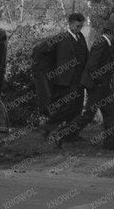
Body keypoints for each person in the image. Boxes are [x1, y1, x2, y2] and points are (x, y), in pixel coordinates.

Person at [35, 12, 89, 147]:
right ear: (70, 24)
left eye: (81, 26)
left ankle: (71, 135)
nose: (79, 29)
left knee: (77, 108)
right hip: (65, 80)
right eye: (77, 26)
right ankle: (48, 126)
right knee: (67, 107)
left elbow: (85, 55)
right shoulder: (60, 38)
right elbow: (39, 50)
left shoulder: (80, 37)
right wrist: (47, 69)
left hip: (79, 80)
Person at [78, 23, 114, 148]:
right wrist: (102, 81)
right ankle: (62, 135)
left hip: (101, 86)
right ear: (111, 32)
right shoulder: (101, 43)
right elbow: (92, 66)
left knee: (112, 114)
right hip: (96, 85)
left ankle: (111, 146)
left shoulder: (106, 43)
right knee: (88, 116)